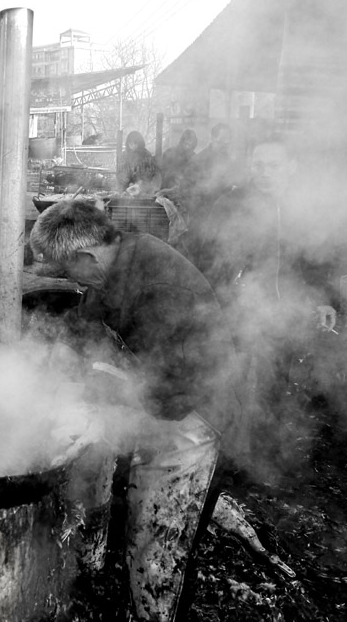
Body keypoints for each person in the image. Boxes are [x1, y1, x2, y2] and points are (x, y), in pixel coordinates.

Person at [30, 199, 241, 622]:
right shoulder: (113, 262)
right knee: (93, 464)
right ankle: (93, 571)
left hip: (193, 417)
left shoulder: (161, 288)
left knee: (158, 538)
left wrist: (102, 393)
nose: (74, 282)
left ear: (86, 256)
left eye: (69, 272)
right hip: (156, 396)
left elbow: (171, 393)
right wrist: (53, 354)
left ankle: (154, 610)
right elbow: (87, 317)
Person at [194, 136, 340, 474]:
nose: (264, 172)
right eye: (258, 165)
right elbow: (208, 258)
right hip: (238, 310)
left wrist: (324, 299)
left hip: (286, 311)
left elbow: (316, 258)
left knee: (274, 382)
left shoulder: (303, 207)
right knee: (238, 380)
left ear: (291, 168)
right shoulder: (229, 205)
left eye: (273, 165)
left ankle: (261, 451)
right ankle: (230, 460)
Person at [117, 131, 161, 195]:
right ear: (127, 143)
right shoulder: (124, 156)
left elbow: (150, 172)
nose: (133, 145)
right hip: (126, 191)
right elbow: (121, 173)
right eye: (130, 143)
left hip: (144, 190)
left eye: (135, 143)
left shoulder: (146, 155)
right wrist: (128, 183)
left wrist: (140, 183)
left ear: (140, 143)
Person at [157, 128, 198, 197]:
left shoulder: (194, 157)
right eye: (186, 144)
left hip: (185, 195)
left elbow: (195, 176)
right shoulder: (170, 152)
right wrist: (175, 176)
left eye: (191, 145)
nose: (188, 147)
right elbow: (162, 172)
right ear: (182, 142)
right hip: (167, 191)